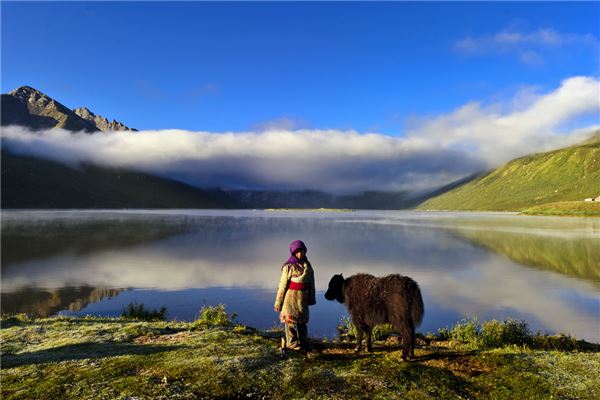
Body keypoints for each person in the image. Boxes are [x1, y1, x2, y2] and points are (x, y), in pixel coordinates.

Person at [274, 240, 316, 350]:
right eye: (297, 252)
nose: (300, 254)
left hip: (302, 298)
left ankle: (303, 342)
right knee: (290, 322)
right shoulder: (288, 267)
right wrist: (279, 302)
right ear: (293, 253)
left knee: (302, 322)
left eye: (302, 251)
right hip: (290, 298)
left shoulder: (308, 265)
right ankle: (292, 344)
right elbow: (282, 285)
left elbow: (311, 283)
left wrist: (311, 297)